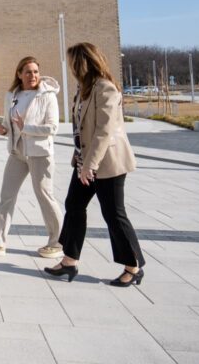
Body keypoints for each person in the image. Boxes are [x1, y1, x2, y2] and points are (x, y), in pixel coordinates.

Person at [44, 42, 145, 286]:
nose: (70, 66)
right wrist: (82, 160)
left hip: (107, 162)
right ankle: (69, 261)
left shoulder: (105, 88)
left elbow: (104, 130)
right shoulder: (84, 88)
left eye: (72, 62)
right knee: (74, 205)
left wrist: (90, 164)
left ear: (83, 63)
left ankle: (133, 266)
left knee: (113, 214)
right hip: (85, 161)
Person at [0, 56, 63, 259]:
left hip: (40, 154)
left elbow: (52, 128)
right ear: (19, 74)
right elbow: (11, 126)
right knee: (6, 196)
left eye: (36, 71)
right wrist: (4, 130)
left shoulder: (47, 96)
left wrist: (27, 127)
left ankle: (59, 242)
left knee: (45, 196)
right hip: (17, 152)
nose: (33, 75)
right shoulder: (12, 95)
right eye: (28, 72)